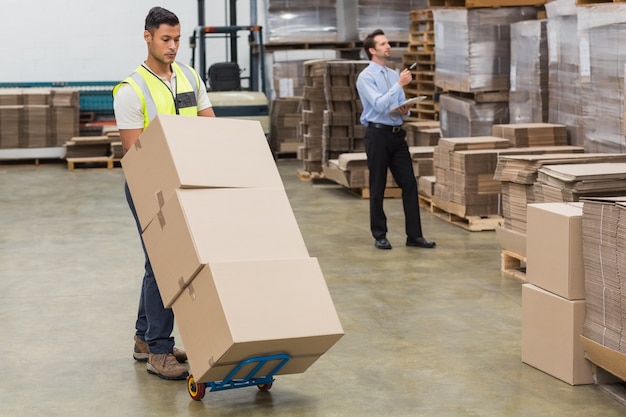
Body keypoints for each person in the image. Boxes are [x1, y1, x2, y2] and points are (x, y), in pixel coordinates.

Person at [113, 6, 215, 380]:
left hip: (187, 181)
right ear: (148, 37)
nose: (173, 47)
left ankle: (144, 339)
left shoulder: (189, 76)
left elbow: (210, 126)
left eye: (177, 39)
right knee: (165, 264)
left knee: (155, 263)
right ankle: (159, 349)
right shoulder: (131, 89)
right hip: (149, 187)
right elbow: (135, 155)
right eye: (165, 39)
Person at [356, 29, 435, 251]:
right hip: (377, 135)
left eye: (388, 43)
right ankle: (380, 235)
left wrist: (404, 109)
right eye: (382, 44)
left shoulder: (392, 75)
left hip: (396, 135)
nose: (388, 46)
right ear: (372, 50)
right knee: (378, 185)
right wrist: (399, 85)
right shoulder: (366, 77)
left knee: (409, 184)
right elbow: (380, 105)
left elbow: (400, 109)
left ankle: (415, 235)